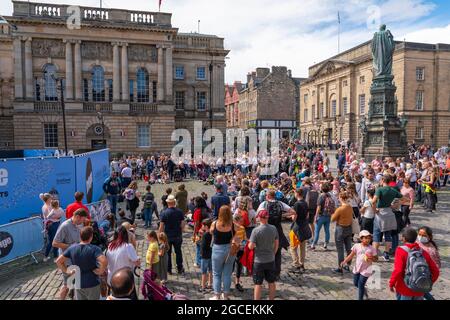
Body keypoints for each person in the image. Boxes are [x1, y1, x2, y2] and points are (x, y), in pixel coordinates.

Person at [56, 226, 107, 300]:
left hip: (78, 283)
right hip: (92, 283)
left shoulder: (72, 248)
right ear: (91, 237)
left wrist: (68, 271)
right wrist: (101, 271)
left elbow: (58, 261)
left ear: (80, 236)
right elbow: (104, 260)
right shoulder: (95, 249)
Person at [389, 227, 439, 300]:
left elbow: (398, 270)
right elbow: (436, 271)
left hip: (404, 288)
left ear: (403, 238)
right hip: (419, 289)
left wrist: (391, 283)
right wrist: (426, 282)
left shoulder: (400, 250)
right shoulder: (423, 252)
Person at [257, 189, 295, 279]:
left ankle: (267, 272)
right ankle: (276, 273)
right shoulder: (280, 204)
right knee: (277, 253)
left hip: (266, 229)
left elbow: (258, 216)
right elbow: (293, 211)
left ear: (268, 196)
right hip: (278, 230)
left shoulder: (264, 204)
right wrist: (281, 216)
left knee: (266, 251)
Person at [53, 208, 89, 300]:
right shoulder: (65, 226)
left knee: (76, 283)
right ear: (77, 217)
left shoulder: (78, 224)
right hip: (67, 261)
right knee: (67, 285)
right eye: (82, 219)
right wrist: (71, 246)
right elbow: (55, 243)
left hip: (75, 259)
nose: (83, 222)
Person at [372, 175, 405, 262]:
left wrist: (374, 210)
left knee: (376, 234)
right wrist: (394, 205)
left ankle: (375, 254)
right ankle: (386, 254)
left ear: (382, 180)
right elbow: (405, 199)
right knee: (388, 235)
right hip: (389, 213)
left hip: (380, 213)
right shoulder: (393, 190)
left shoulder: (379, 190)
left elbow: (373, 201)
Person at [249, 209, 279, 300]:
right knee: (271, 282)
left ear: (259, 218)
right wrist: (273, 253)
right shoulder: (273, 228)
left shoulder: (256, 231)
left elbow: (251, 246)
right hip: (270, 259)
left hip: (259, 261)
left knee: (258, 284)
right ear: (267, 217)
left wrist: (250, 243)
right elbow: (276, 243)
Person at [209, 206, 237, 300]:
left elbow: (211, 232)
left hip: (217, 249)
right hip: (229, 250)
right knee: (227, 273)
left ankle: (216, 295)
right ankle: (225, 296)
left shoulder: (215, 223)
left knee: (216, 273)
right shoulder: (232, 224)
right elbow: (235, 235)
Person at [340, 230, 378, 300]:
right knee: (355, 283)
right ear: (361, 239)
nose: (367, 240)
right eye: (365, 238)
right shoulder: (356, 246)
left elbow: (376, 259)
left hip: (366, 269)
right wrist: (344, 261)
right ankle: (364, 290)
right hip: (357, 268)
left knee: (360, 284)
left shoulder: (372, 248)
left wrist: (372, 258)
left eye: (369, 238)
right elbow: (351, 255)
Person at [105, 226, 140, 299]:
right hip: (124, 280)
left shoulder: (110, 246)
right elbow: (137, 263)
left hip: (111, 279)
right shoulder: (128, 246)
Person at [159, 195, 186, 275]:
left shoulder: (164, 213)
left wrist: (159, 236)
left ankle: (169, 269)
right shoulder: (179, 211)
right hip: (177, 235)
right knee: (178, 252)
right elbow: (183, 224)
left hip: (167, 236)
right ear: (174, 202)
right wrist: (181, 230)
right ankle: (180, 268)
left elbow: (161, 226)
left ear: (167, 203)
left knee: (168, 253)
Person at [331, 190, 354, 274]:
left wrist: (333, 214)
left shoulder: (340, 209)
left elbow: (332, 219)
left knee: (340, 249)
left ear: (341, 198)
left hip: (340, 228)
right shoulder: (350, 207)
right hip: (349, 228)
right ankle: (348, 265)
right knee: (348, 248)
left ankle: (340, 267)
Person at [290, 188, 311, 273]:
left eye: (294, 193)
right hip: (304, 226)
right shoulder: (305, 203)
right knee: (302, 247)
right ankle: (302, 264)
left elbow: (294, 218)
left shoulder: (296, 204)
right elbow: (307, 216)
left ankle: (296, 264)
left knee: (293, 248)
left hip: (297, 227)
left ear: (297, 194)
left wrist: (291, 217)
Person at [417, 226, 441, 300]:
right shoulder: (417, 243)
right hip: (417, 274)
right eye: (419, 234)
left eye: (424, 235)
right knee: (421, 291)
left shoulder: (431, 250)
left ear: (429, 237)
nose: (421, 237)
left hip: (425, 276)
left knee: (421, 292)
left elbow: (436, 267)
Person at [311, 182, 335, 250]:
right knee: (327, 230)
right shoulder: (330, 196)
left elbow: (318, 207)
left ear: (322, 189)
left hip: (321, 216)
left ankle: (313, 245)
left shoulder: (321, 196)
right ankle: (326, 244)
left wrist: (316, 216)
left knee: (317, 231)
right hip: (328, 215)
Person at [193, 196, 211, 267]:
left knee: (198, 246)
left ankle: (198, 262)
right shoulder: (207, 209)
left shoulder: (197, 211)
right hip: (208, 231)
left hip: (200, 231)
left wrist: (194, 233)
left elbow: (196, 223)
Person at [232, 214, 247, 293]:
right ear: (235, 221)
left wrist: (243, 245)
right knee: (231, 266)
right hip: (233, 249)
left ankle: (237, 282)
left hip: (240, 250)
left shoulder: (242, 228)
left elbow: (245, 238)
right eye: (240, 221)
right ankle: (227, 282)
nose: (241, 223)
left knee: (239, 266)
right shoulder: (231, 229)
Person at [199, 219, 213, 293]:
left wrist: (200, 240)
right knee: (211, 270)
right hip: (211, 254)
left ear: (206, 226)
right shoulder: (212, 233)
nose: (202, 226)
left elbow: (203, 246)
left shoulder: (205, 235)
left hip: (205, 255)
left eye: (203, 225)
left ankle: (203, 286)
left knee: (204, 272)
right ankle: (210, 284)